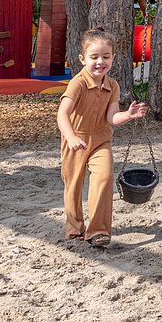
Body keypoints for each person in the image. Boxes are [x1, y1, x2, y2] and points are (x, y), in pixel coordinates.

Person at [56, 28, 147, 248]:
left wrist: (128, 114)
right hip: (75, 140)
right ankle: (75, 228)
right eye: (94, 57)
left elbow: (112, 117)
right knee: (73, 184)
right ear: (82, 59)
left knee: (104, 177)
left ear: (113, 58)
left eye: (106, 57)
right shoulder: (78, 83)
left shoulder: (112, 85)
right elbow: (62, 113)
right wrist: (70, 137)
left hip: (100, 140)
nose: (100, 62)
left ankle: (98, 231)